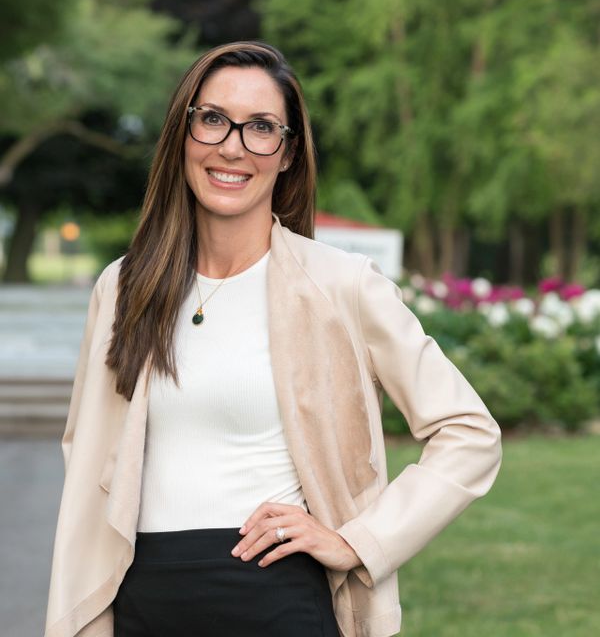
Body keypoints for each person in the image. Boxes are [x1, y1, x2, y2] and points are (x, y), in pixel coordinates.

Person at [45, 41, 502, 637]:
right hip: (142, 600)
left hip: (274, 601)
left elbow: (469, 433)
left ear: (287, 154)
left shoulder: (341, 286)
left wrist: (357, 541)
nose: (232, 146)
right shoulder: (124, 287)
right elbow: (86, 461)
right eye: (212, 119)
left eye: (261, 127)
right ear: (182, 134)